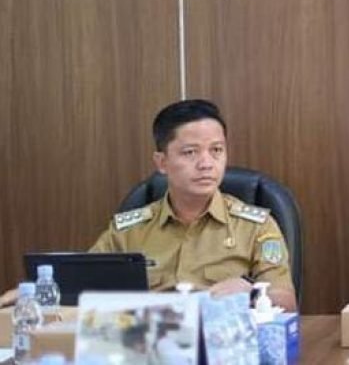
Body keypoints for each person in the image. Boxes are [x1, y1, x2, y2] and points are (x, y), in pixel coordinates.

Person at [1, 99, 296, 311]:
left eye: (216, 150)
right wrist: (33, 291)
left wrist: (252, 294)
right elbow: (83, 284)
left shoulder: (255, 226)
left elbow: (288, 302)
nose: (206, 163)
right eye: (190, 152)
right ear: (162, 162)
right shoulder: (129, 230)